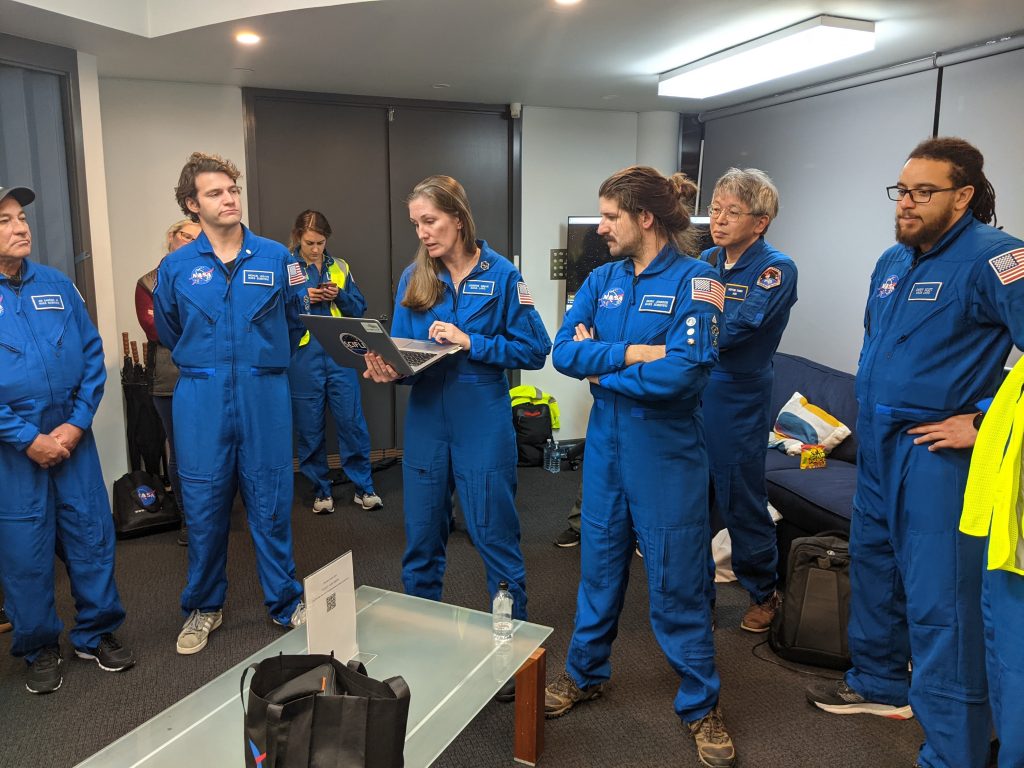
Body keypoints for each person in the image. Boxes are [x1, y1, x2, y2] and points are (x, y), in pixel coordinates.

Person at [805, 137, 1024, 768]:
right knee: (875, 569)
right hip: (876, 445)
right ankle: (880, 684)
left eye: (923, 192)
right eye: (901, 190)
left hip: (936, 459)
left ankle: (953, 753)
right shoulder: (892, 261)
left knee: (942, 607)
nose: (906, 203)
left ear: (964, 195)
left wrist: (983, 423)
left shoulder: (998, 260)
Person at [545, 166, 736, 768]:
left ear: (644, 218)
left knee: (678, 581)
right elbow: (563, 352)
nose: (600, 227)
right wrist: (630, 353)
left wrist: (604, 371)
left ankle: (701, 704)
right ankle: (586, 673)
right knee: (598, 566)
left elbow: (684, 372)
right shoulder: (601, 279)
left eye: (609, 217)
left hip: (668, 453)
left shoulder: (698, 281)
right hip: (606, 448)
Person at [363, 175, 550, 630]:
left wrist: (473, 342)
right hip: (427, 417)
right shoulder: (415, 276)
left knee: (493, 534)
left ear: (459, 219)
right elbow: (407, 354)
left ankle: (512, 641)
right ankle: (422, 635)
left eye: (430, 221)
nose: (423, 232)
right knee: (423, 536)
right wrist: (388, 369)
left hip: (481, 415)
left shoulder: (502, 274)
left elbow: (535, 349)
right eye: (416, 224)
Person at [154, 153, 307, 656]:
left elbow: (295, 322)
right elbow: (172, 330)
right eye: (216, 192)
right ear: (191, 204)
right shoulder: (175, 268)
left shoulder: (277, 258)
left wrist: (260, 363)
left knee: (271, 499)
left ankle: (285, 601)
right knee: (202, 504)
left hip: (264, 392)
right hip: (200, 393)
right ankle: (204, 606)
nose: (229, 199)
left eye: (232, 190)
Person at [0, 183, 134, 694]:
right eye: (6, 220)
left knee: (91, 536)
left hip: (70, 439)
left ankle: (96, 632)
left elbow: (92, 356)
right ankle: (37, 646)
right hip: (14, 452)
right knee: (24, 551)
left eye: (22, 218)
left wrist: (77, 424)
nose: (20, 227)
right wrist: (25, 438)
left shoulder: (56, 284)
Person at [700, 168, 797, 632]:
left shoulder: (775, 269)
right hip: (696, 389)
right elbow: (687, 319)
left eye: (732, 212)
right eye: (715, 209)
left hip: (739, 397)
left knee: (741, 498)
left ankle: (764, 592)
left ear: (760, 222)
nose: (718, 220)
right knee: (692, 496)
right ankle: (697, 593)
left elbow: (740, 328)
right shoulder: (705, 261)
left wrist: (687, 338)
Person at [287, 210, 382, 514]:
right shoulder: (285, 265)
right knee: (309, 428)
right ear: (297, 238)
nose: (316, 249)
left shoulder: (339, 266)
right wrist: (307, 298)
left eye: (321, 242)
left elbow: (359, 307)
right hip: (303, 356)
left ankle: (364, 488)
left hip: (341, 355)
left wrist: (338, 295)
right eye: (310, 243)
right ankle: (320, 491)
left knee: (352, 424)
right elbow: (275, 310)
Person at [960, 354, 1024, 768]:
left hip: (1017, 547)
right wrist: (983, 421)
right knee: (1004, 663)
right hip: (1005, 535)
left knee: (1015, 671)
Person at [136, 218, 201, 546]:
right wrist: (200, 330)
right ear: (171, 238)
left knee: (211, 447)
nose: (190, 242)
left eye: (197, 238)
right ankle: (188, 520)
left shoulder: (209, 276)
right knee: (182, 450)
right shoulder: (148, 283)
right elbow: (158, 332)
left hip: (208, 377)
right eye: (185, 236)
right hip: (170, 380)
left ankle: (212, 514)